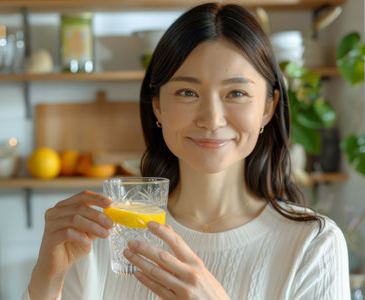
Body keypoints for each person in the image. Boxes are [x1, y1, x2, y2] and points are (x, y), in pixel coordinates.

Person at [23, 3, 350, 300]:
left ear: (268, 108)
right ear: (158, 107)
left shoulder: (313, 246)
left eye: (236, 92)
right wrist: (45, 282)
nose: (211, 119)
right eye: (187, 92)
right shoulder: (105, 235)